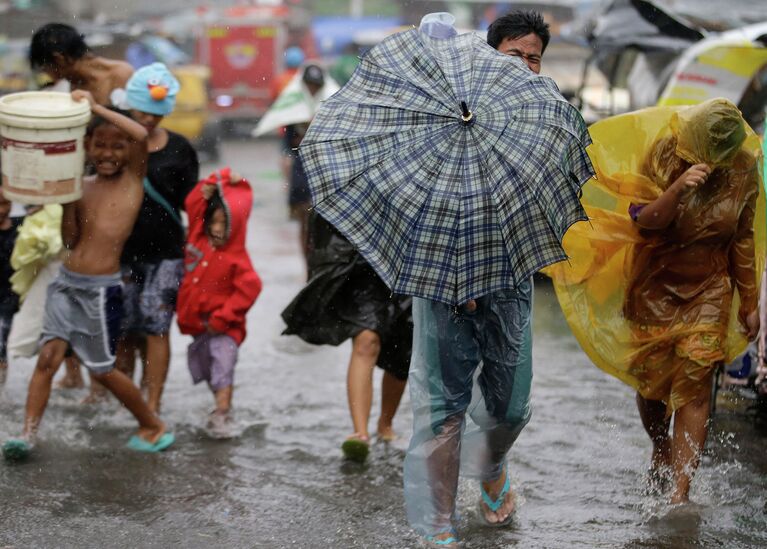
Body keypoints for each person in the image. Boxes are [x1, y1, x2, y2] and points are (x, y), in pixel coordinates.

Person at [403, 11, 550, 546]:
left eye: (534, 58)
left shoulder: (547, 115)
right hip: (443, 276)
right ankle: (437, 526)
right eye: (515, 55)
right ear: (490, 56)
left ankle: (491, 470)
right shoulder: (438, 114)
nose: (526, 66)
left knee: (510, 405)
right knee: (444, 410)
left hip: (510, 277)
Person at [1, 90, 174, 461]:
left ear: (127, 152)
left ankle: (152, 424)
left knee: (103, 369)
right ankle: (27, 435)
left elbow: (140, 136)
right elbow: (70, 241)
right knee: (48, 358)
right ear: (87, 148)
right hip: (65, 283)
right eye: (99, 146)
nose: (107, 154)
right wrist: (66, 204)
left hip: (99, 290)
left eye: (115, 147)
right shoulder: (81, 187)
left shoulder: (131, 183)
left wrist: (95, 108)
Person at [625, 99, 759, 504]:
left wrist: (748, 300)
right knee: (652, 384)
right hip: (657, 279)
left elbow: (744, 236)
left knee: (697, 385)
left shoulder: (744, 168)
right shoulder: (665, 152)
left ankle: (680, 492)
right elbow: (643, 219)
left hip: (710, 285)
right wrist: (677, 189)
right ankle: (660, 444)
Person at [103, 63, 199, 413]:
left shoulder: (180, 148)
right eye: (143, 112)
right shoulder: (113, 144)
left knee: (157, 327)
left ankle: (153, 404)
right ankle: (128, 404)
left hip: (167, 254)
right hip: (121, 251)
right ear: (130, 104)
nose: (149, 120)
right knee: (125, 330)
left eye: (157, 114)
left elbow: (192, 203)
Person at [282, 212, 412, 462]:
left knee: (401, 351)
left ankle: (385, 425)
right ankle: (360, 433)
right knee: (366, 340)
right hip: (362, 265)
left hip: (407, 261)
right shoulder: (353, 180)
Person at [176, 168, 261, 438]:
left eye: (224, 223)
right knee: (208, 370)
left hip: (225, 328)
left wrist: (223, 318)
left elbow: (250, 288)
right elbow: (193, 202)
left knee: (222, 364)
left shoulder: (237, 257)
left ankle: (222, 413)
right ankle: (220, 405)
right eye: (213, 221)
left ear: (235, 225)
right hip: (199, 327)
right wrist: (219, 179)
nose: (216, 228)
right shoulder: (197, 240)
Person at [29, 23, 133, 106]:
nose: (48, 76)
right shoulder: (67, 86)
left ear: (59, 59)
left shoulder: (120, 73)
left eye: (46, 68)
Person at [0, 189, 22, 385]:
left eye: (5, 204)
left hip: (9, 293)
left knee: (2, 338)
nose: (1, 210)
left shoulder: (21, 227)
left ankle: (2, 389)